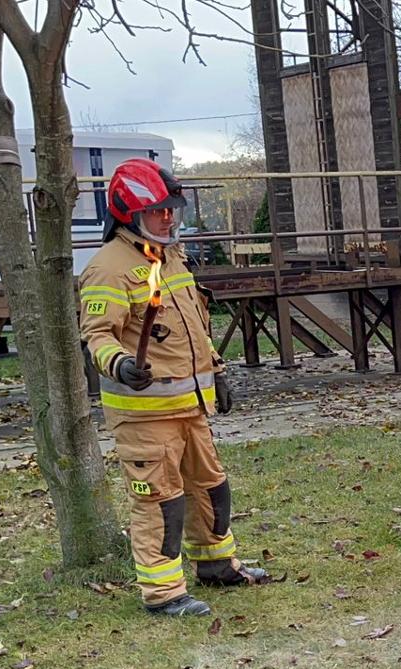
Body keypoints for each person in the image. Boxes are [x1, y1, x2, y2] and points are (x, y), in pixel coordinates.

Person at [79, 158, 267, 617]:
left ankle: (217, 565)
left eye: (171, 209)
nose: (168, 218)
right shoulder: (109, 268)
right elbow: (97, 335)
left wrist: (216, 370)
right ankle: (163, 593)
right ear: (129, 213)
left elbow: (194, 325)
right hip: (144, 414)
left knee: (210, 488)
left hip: (191, 407)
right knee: (160, 502)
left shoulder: (169, 257)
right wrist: (120, 365)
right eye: (158, 211)